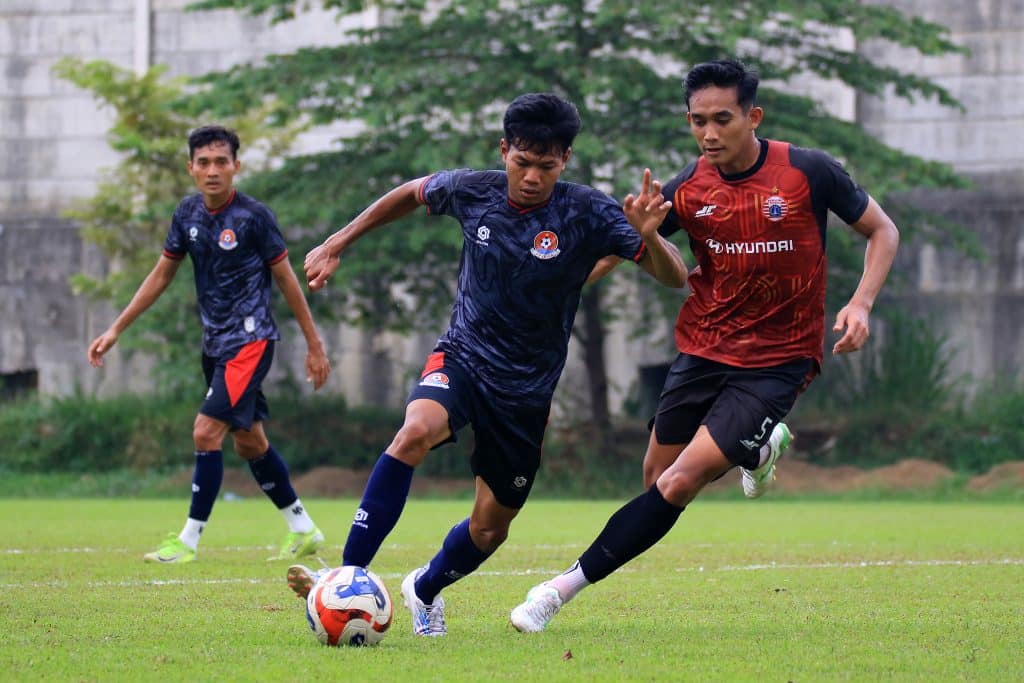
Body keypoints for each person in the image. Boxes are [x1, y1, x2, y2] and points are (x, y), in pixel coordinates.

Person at [509, 58, 900, 632]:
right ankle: (757, 448)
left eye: (723, 119)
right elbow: (620, 250)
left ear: (752, 117)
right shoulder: (687, 189)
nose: (709, 133)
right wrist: (552, 289)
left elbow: (882, 230)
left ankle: (555, 592)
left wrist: (861, 303)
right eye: (698, 121)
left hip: (778, 360)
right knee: (655, 481)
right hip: (703, 349)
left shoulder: (808, 171)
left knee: (678, 483)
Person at [285, 92, 689, 636]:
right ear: (503, 151)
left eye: (546, 166)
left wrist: (649, 237)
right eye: (522, 162)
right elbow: (411, 192)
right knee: (414, 431)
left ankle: (425, 588)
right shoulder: (473, 190)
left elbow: (675, 276)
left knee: (489, 529)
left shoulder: (588, 211)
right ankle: (345, 575)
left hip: (525, 394)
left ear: (565, 160)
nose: (532, 177)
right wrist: (338, 241)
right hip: (464, 357)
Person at [87, 125, 331, 564]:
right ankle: (303, 528)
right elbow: (161, 275)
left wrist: (315, 345)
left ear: (236, 166)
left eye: (221, 162)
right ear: (191, 168)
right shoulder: (187, 214)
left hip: (251, 341)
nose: (213, 170)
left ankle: (188, 541)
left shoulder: (254, 217)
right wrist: (115, 329)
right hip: (215, 344)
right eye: (204, 162)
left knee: (205, 431)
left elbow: (287, 280)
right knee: (249, 442)